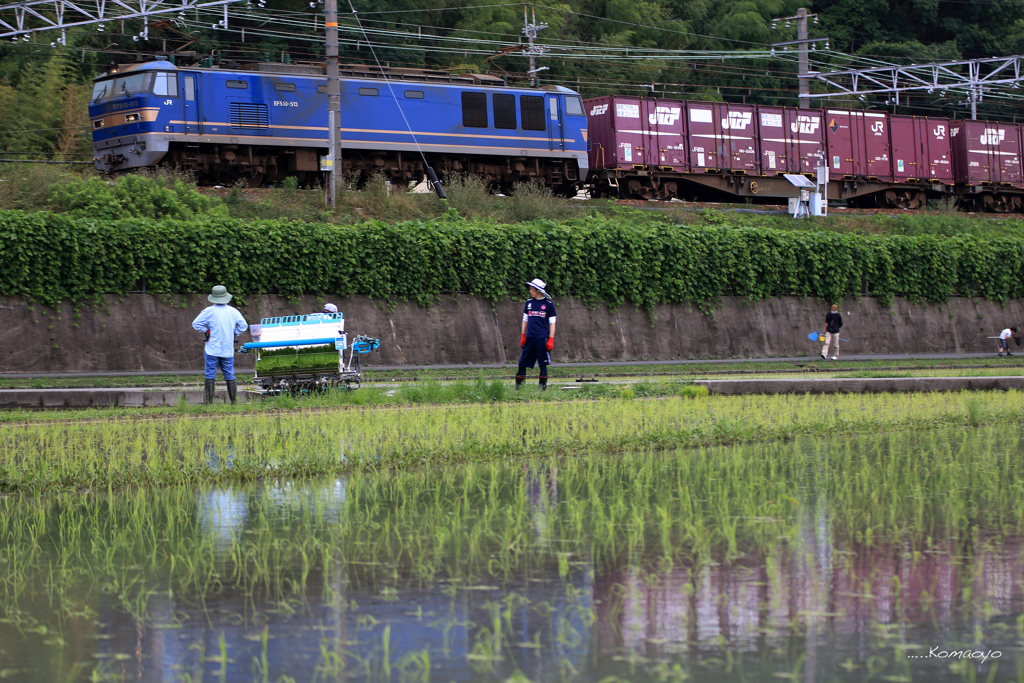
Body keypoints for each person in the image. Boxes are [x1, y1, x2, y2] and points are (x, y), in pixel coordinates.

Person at [192, 285, 248, 404]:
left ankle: (209, 403)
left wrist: (206, 331)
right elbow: (244, 325)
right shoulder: (233, 311)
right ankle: (233, 402)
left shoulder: (209, 311)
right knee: (229, 373)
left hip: (212, 348)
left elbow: (196, 324)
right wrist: (234, 333)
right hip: (227, 349)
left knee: (210, 374)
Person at [516, 278, 556, 391]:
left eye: (531, 289)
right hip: (530, 337)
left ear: (538, 290)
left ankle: (542, 389)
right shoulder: (529, 303)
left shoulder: (549, 305)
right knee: (522, 362)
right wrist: (522, 336)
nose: (530, 291)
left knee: (542, 364)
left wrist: (551, 339)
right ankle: (518, 389)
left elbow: (552, 323)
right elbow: (525, 320)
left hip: (542, 338)